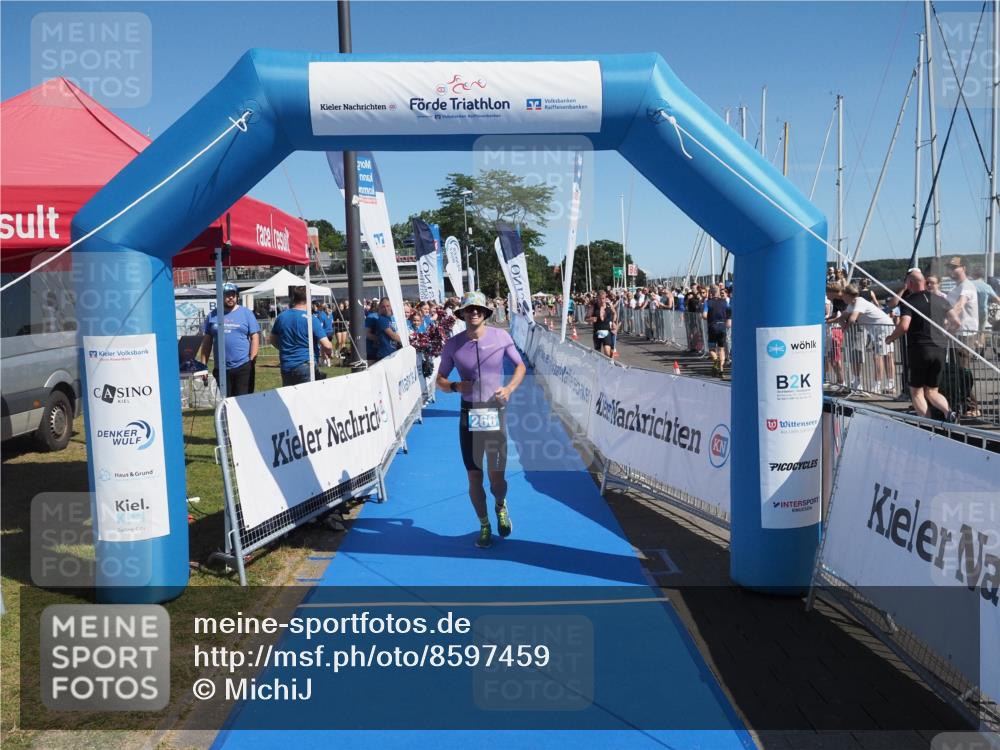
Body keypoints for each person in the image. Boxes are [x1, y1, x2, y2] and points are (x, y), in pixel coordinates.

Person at [436, 292, 526, 549]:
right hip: (469, 414)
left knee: (497, 480)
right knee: (474, 477)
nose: (474, 312)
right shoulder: (452, 345)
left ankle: (500, 505)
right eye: (469, 309)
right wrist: (455, 386)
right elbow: (440, 380)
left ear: (485, 312)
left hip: (494, 412)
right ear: (462, 313)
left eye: (478, 308)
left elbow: (520, 366)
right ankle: (484, 525)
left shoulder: (501, 337)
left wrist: (508, 389)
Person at [886, 270, 959, 421]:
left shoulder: (909, 301)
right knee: (932, 391)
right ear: (925, 282)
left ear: (909, 284)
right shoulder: (940, 299)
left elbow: (904, 326)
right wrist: (946, 335)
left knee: (916, 392)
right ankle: (949, 413)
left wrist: (891, 338)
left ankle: (928, 423)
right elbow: (956, 322)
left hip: (919, 349)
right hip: (939, 348)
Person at [830, 284, 896, 394]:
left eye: (843, 296)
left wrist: (844, 328)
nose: (842, 298)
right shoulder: (852, 304)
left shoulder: (859, 302)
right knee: (885, 355)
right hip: (878, 329)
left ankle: (878, 386)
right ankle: (889, 384)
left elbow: (852, 319)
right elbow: (842, 317)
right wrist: (830, 321)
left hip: (882, 328)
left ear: (848, 295)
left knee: (879, 356)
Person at [198, 283, 260, 396]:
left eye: (233, 295)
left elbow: (254, 337)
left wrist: (252, 360)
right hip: (221, 368)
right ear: (221, 296)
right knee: (226, 400)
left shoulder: (246, 313)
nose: (231, 297)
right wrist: (203, 365)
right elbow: (207, 342)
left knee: (243, 400)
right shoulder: (213, 315)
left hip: (243, 366)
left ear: (237, 296)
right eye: (227, 295)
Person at [270, 286, 333, 386]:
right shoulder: (311, 319)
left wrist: (286, 349)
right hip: (306, 365)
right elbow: (327, 345)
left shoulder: (281, 317)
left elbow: (273, 340)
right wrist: (329, 352)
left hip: (286, 365)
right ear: (308, 299)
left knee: (289, 395)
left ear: (294, 299)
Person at [945, 257, 981, 416]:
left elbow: (959, 305)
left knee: (962, 371)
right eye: (950, 267)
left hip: (964, 333)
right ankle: (961, 404)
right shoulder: (957, 287)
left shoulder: (967, 286)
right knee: (956, 372)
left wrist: (946, 322)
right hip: (955, 333)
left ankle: (973, 406)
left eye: (955, 267)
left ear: (964, 268)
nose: (952, 270)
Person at [702, 285, 731, 376]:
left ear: (711, 292)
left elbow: (704, 315)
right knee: (721, 349)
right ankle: (721, 370)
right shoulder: (725, 302)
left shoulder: (708, 302)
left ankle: (716, 360)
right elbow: (729, 312)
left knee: (711, 349)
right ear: (718, 292)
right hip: (722, 327)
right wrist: (728, 321)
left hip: (712, 327)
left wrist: (709, 317)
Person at [586, 289, 618, 358]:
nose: (602, 300)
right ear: (597, 298)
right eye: (600, 299)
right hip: (597, 332)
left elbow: (614, 313)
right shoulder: (593, 307)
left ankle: (608, 364)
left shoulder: (609, 305)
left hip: (607, 331)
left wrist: (614, 322)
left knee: (607, 352)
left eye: (603, 298)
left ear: (605, 297)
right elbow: (586, 318)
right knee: (598, 354)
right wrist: (591, 319)